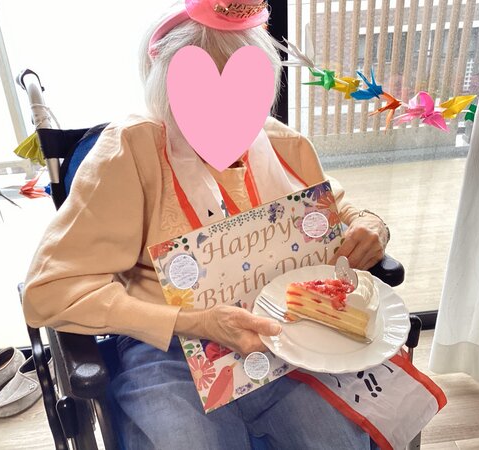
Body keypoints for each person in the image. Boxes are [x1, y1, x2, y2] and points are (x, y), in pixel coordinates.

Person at [23, 1, 389, 448]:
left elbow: (341, 210)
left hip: (281, 333)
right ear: (165, 91)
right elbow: (49, 290)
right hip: (167, 346)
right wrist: (193, 321)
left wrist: (371, 226)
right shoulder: (128, 152)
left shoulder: (282, 144)